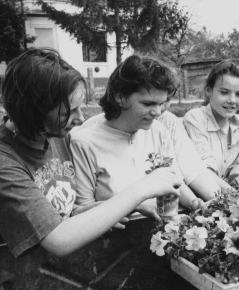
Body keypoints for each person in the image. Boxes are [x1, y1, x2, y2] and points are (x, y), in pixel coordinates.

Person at [0, 48, 182, 259]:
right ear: (33, 110)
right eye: (67, 112)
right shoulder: (6, 162)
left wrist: (81, 213)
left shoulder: (54, 134)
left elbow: (57, 213)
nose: (79, 119)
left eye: (80, 107)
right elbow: (58, 240)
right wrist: (141, 190)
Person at [70, 55, 200, 220]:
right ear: (120, 97)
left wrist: (195, 204)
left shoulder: (158, 130)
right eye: (148, 104)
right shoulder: (83, 142)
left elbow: (174, 182)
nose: (158, 112)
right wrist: (133, 205)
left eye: (161, 103)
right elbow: (84, 212)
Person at [183, 60, 239, 191]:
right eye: (224, 92)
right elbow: (204, 172)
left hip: (230, 199)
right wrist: (238, 198)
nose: (232, 100)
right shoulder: (195, 119)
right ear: (208, 91)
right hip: (202, 198)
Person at [156, 94, 222, 200]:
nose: (158, 110)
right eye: (148, 103)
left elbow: (191, 167)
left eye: (166, 100)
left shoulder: (166, 121)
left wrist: (220, 201)